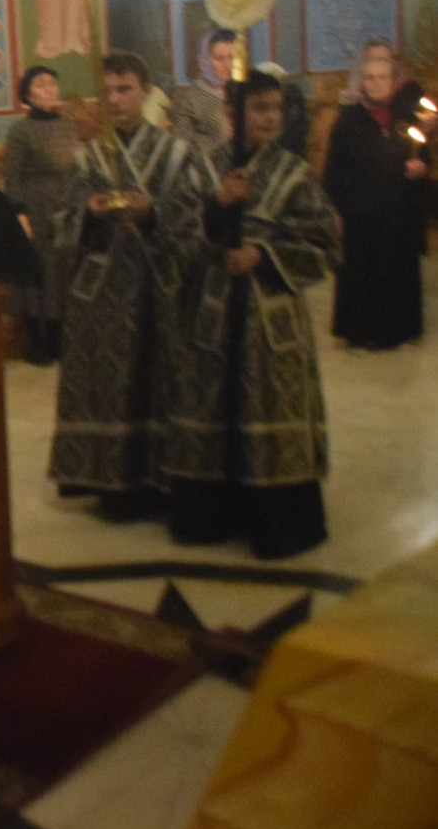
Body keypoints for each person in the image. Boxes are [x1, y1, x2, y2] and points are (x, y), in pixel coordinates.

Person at [163, 70, 342, 559]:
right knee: (212, 408)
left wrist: (264, 256)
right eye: (259, 108)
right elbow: (175, 235)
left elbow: (326, 245)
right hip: (212, 320)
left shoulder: (293, 173)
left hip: (271, 324)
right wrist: (216, 207)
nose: (270, 118)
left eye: (276, 108)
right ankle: (212, 517)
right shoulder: (204, 168)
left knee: (269, 407)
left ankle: (275, 524)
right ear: (233, 114)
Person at [49, 52, 208, 515]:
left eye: (125, 90)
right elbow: (60, 223)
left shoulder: (176, 154)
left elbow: (199, 220)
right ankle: (109, 481)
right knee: (108, 386)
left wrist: (152, 213)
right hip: (103, 295)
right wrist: (88, 212)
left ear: (146, 92)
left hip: (159, 288)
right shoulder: (90, 157)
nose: (116, 100)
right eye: (108, 92)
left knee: (156, 383)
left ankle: (158, 478)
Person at [325, 55, 430, 350]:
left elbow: (423, 155)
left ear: (393, 82)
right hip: (360, 213)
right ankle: (360, 331)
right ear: (361, 82)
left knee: (397, 273)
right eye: (370, 77)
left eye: (382, 77)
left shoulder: (406, 116)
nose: (376, 83)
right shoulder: (348, 120)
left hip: (398, 211)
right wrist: (334, 210)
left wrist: (421, 166)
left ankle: (400, 330)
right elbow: (333, 169)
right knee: (362, 273)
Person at [2, 64, 79, 365]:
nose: (49, 89)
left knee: (61, 273)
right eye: (41, 84)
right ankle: (36, 343)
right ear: (28, 94)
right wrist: (19, 212)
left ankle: (59, 340)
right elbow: (12, 175)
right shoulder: (21, 131)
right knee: (38, 273)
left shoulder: (68, 125)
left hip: (65, 206)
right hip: (35, 207)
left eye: (52, 83)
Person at [170, 28, 236, 155]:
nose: (228, 65)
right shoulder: (189, 99)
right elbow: (181, 150)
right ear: (203, 61)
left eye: (232, 57)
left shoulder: (243, 92)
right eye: (219, 59)